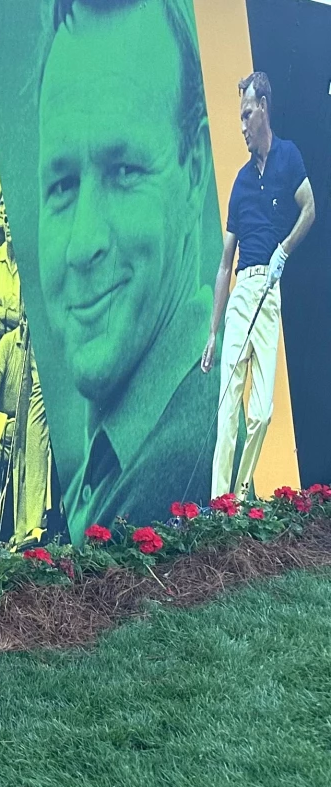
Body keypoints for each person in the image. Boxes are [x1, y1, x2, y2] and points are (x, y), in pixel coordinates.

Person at [36, 0, 217, 536]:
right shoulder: (111, 464)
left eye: (125, 170)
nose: (82, 242)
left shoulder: (182, 476)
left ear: (194, 173)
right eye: (63, 184)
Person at [203, 71, 316, 499]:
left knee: (262, 412)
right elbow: (222, 266)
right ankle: (219, 506)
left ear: (264, 107)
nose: (243, 125)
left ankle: (240, 489)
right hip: (241, 293)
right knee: (228, 406)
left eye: (248, 114)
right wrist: (213, 333)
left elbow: (310, 209)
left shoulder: (289, 157)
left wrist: (283, 250)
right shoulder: (241, 182)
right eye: (240, 117)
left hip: (270, 291)